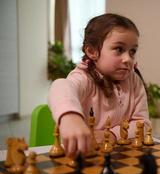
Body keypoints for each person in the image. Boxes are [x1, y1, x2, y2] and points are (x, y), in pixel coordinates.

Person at [48, 13, 150, 158]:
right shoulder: (84, 78)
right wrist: (70, 117)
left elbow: (143, 124)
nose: (128, 59)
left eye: (132, 51)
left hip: (121, 157)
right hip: (87, 156)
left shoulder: (134, 81)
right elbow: (60, 86)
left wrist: (111, 135)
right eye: (119, 49)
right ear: (92, 51)